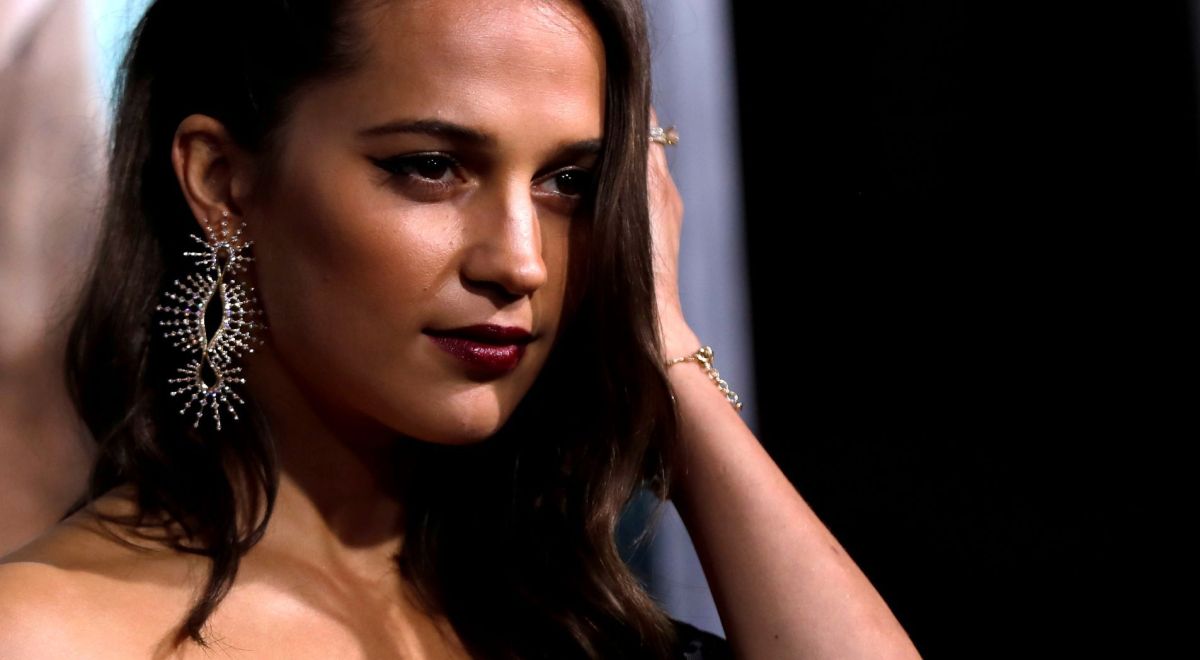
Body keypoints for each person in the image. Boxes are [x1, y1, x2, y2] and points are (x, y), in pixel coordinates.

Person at [0, 0, 922, 658]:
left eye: (568, 183)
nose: (520, 262)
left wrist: (667, 357)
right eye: (432, 166)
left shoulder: (570, 613)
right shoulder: (48, 631)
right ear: (222, 179)